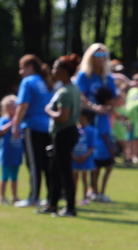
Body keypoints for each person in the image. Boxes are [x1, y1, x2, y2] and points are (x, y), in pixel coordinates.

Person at [11, 54, 54, 209]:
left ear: (29, 67)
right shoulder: (47, 81)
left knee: (34, 163)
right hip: (49, 127)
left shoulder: (28, 82)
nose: (21, 72)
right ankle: (50, 197)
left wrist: (15, 125)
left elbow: (22, 105)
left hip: (33, 127)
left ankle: (34, 197)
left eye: (22, 68)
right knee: (48, 163)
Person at [44, 54, 82, 217]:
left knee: (64, 171)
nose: (53, 70)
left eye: (55, 67)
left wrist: (48, 110)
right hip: (65, 133)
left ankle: (70, 208)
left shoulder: (66, 91)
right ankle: (52, 204)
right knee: (54, 170)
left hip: (64, 133)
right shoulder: (71, 88)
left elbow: (63, 116)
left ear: (64, 71)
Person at [0, 95, 23, 205]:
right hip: (6, 154)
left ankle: (14, 196)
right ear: (6, 108)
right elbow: (0, 131)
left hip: (16, 154)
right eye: (12, 108)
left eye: (16, 107)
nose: (14, 110)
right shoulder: (3, 120)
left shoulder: (20, 122)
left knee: (15, 177)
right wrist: (12, 123)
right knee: (4, 176)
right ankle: (2, 197)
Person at [91, 86, 117, 202]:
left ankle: (95, 192)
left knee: (97, 170)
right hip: (103, 147)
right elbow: (104, 133)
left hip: (97, 146)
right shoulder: (103, 112)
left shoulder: (98, 109)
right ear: (107, 99)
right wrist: (111, 148)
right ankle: (99, 193)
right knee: (106, 168)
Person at [72, 110, 96, 204]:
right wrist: (73, 156)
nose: (80, 120)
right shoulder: (74, 129)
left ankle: (85, 198)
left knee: (84, 178)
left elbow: (92, 146)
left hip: (85, 159)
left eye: (82, 118)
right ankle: (73, 198)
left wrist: (85, 156)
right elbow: (70, 144)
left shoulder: (90, 130)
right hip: (75, 159)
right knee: (74, 179)